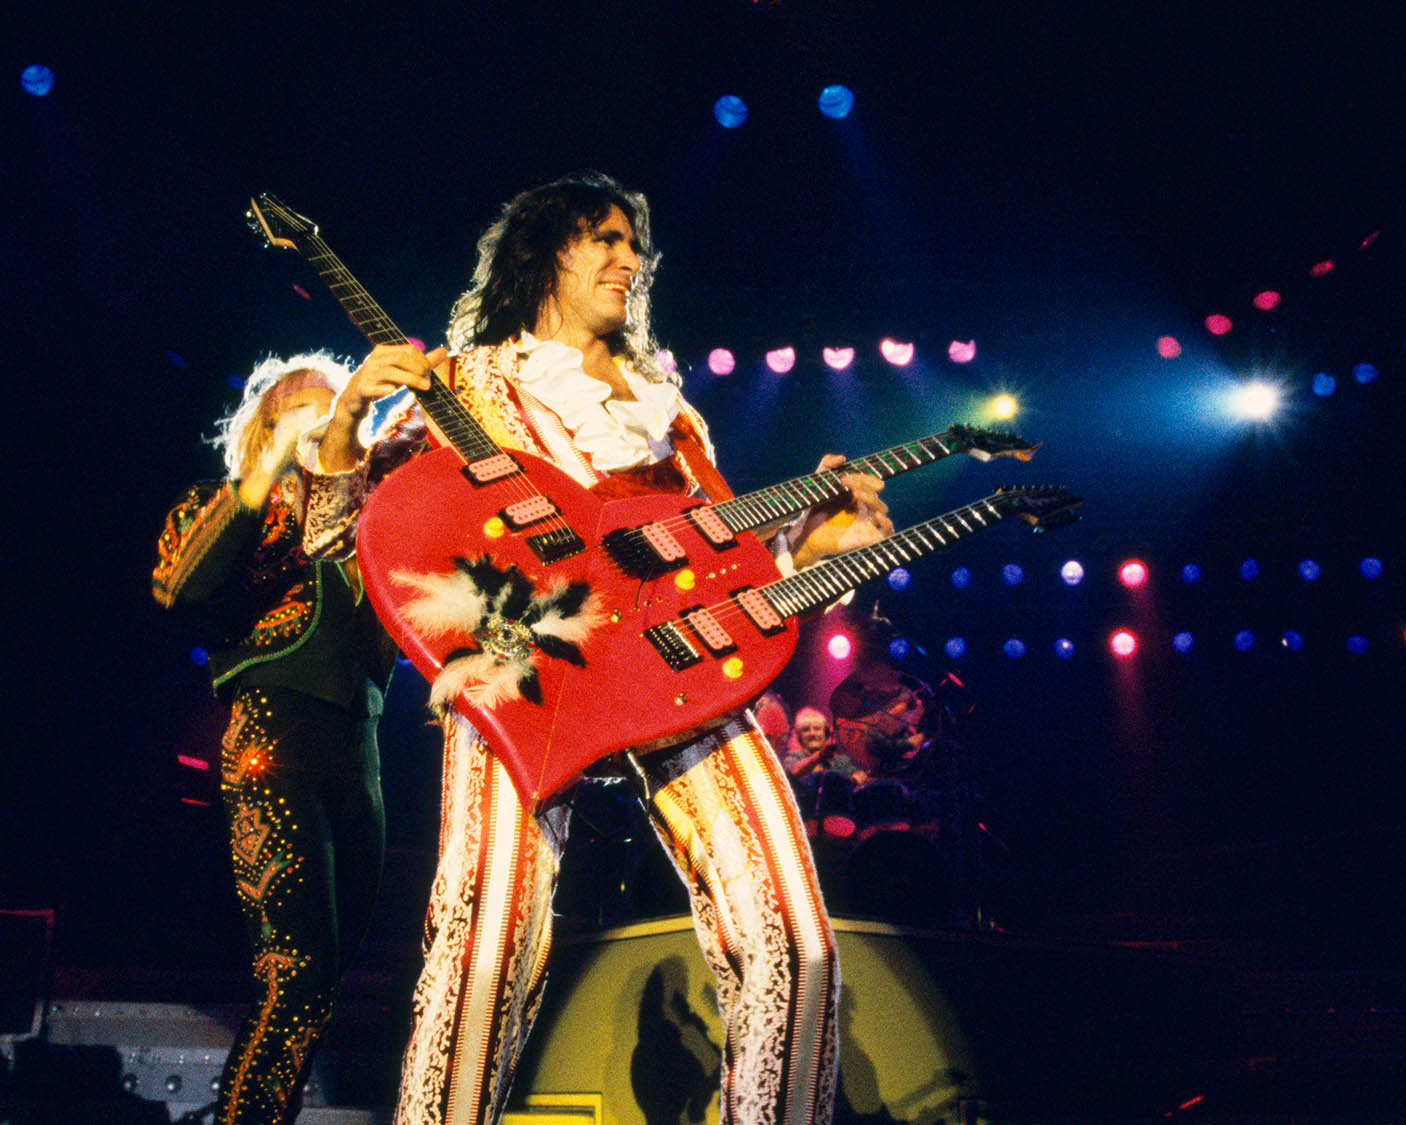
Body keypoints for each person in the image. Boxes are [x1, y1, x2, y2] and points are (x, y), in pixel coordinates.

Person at [307, 172, 892, 1125]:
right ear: (546, 254)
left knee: (796, 940)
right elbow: (340, 537)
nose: (629, 259)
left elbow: (716, 566)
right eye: (603, 239)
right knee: (484, 948)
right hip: (518, 667)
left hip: (682, 671)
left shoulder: (675, 416)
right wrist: (344, 427)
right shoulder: (465, 385)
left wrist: (810, 546)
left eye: (634, 245)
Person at [151, 352, 416, 1124]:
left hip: (359, 755)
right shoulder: (227, 502)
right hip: (276, 735)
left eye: (343, 409)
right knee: (295, 976)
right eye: (308, 401)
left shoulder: (368, 517)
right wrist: (268, 467)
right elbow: (180, 582)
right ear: (267, 417)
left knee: (319, 988)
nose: (332, 415)